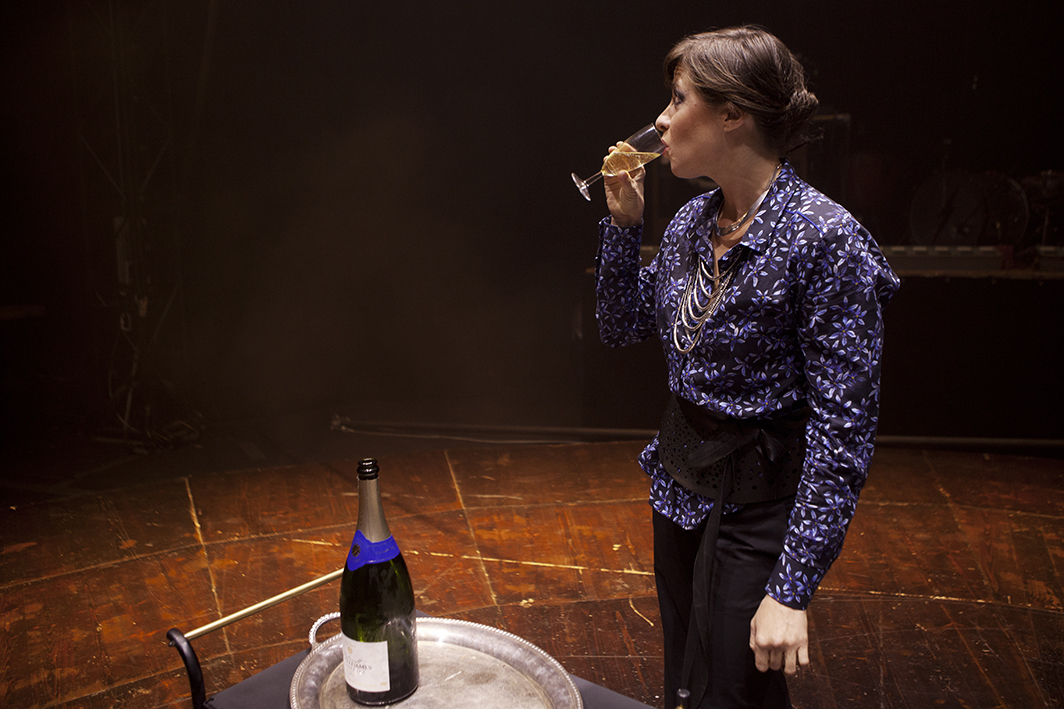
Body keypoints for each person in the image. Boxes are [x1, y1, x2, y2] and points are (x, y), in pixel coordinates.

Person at [593, 26, 900, 709]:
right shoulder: (690, 224)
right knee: (687, 685)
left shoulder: (825, 240)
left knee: (732, 693)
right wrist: (623, 226)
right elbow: (619, 328)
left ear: (733, 114)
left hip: (761, 510)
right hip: (680, 490)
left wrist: (791, 589)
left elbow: (843, 432)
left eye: (678, 99)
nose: (661, 120)